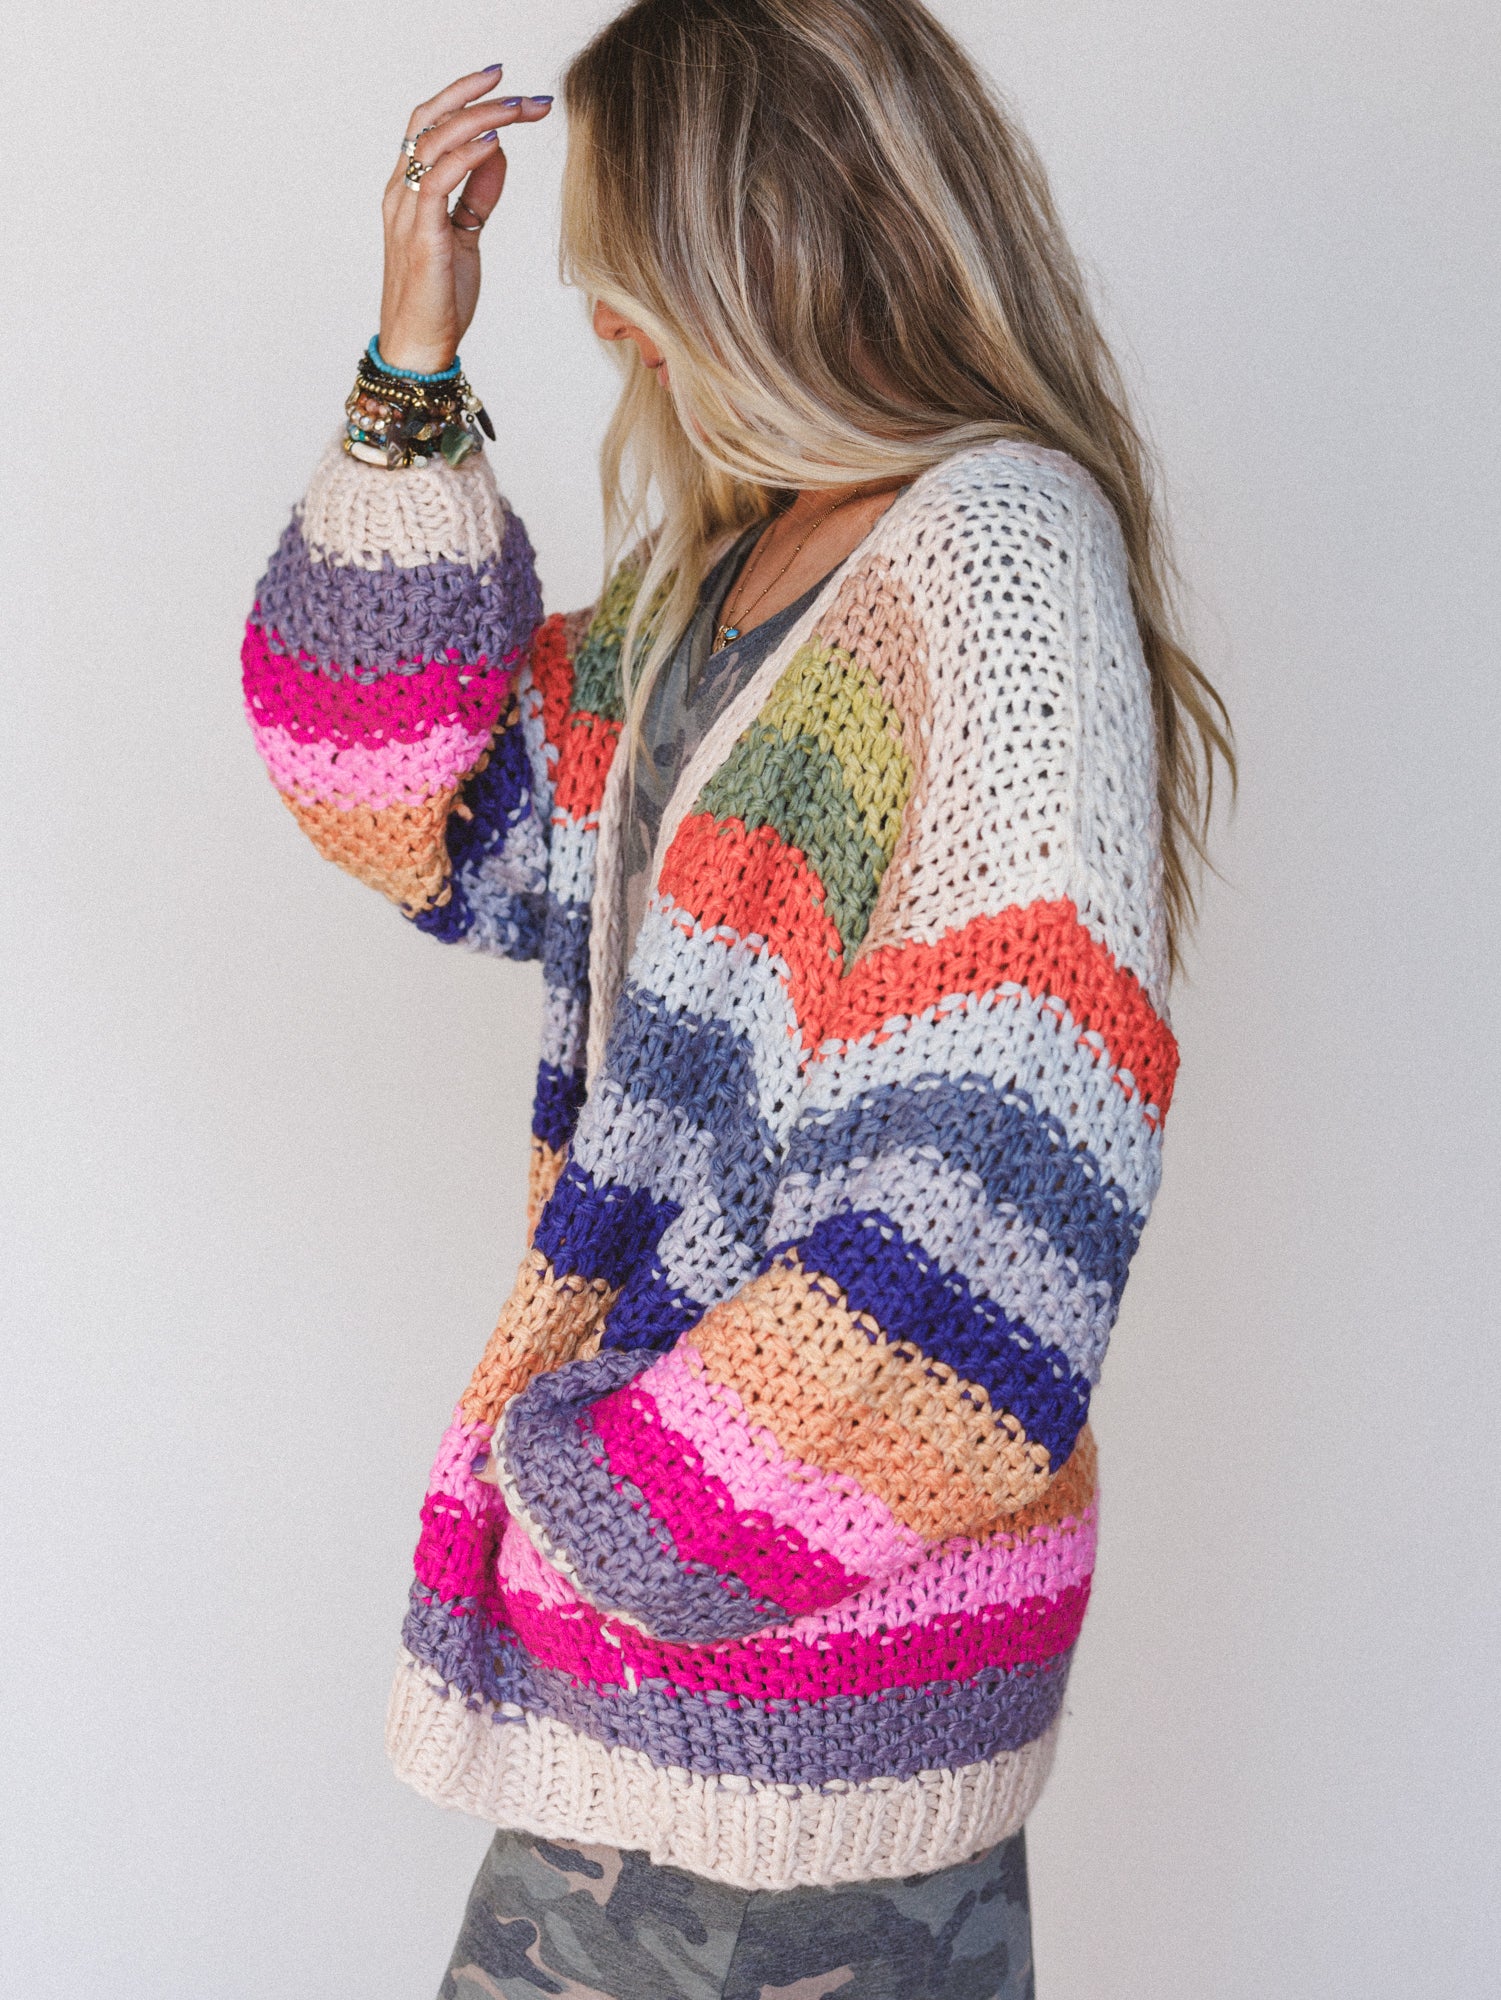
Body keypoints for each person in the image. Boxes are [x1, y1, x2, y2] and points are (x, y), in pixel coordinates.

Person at [242, 4, 1232, 1993]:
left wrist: (622, 1506)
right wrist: (411, 367)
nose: (608, 325)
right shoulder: (726, 577)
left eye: (627, 268)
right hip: (645, 1683)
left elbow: (995, 1195)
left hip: (806, 1685)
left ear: (761, 243)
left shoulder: (995, 559)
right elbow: (401, 793)